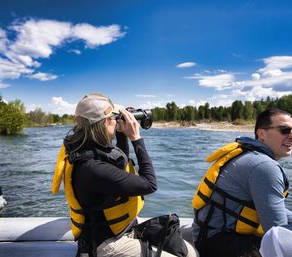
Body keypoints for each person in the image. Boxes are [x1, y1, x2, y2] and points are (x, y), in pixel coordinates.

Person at [52, 93, 198, 257]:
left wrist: (121, 134)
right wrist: (136, 138)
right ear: (104, 122)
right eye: (114, 117)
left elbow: (120, 168)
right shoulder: (91, 168)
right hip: (107, 246)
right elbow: (149, 184)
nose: (117, 121)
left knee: (190, 253)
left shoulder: (88, 149)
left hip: (122, 232)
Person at [191, 108, 292, 257]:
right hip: (219, 243)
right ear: (261, 134)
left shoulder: (250, 155)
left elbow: (271, 207)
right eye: (285, 130)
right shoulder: (264, 166)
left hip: (206, 236)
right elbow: (278, 234)